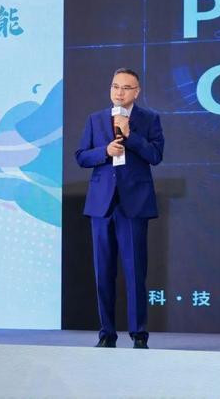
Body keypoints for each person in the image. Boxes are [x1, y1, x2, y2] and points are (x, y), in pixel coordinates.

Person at [75, 68, 164, 349]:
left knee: (135, 270)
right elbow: (81, 156)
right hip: (102, 204)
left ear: (136, 92)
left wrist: (131, 135)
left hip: (133, 204)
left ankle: (138, 334)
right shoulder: (95, 119)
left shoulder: (149, 119)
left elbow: (156, 155)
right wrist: (105, 151)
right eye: (115, 86)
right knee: (103, 272)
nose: (119, 92)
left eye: (126, 88)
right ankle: (107, 333)